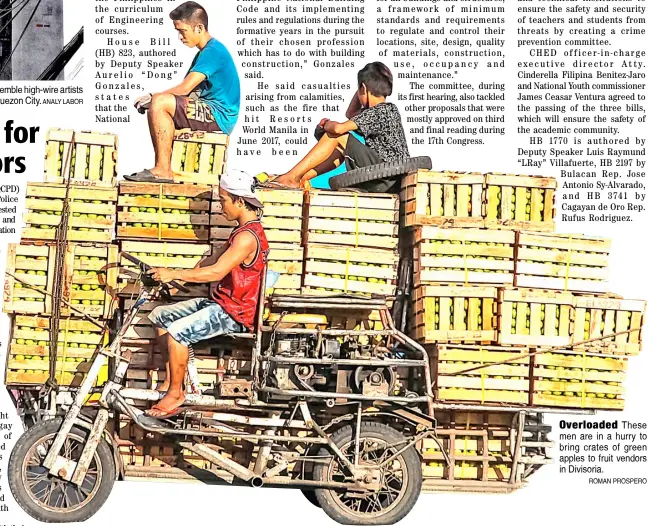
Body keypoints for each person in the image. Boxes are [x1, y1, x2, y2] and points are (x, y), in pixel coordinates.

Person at [145, 170, 268, 417]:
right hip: (222, 303)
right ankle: (172, 380)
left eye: (223, 200)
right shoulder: (240, 232)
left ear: (240, 201)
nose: (221, 206)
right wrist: (176, 279)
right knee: (159, 316)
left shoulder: (247, 237)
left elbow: (216, 272)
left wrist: (174, 273)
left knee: (178, 333)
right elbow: (209, 262)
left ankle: (176, 394)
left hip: (235, 313)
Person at [126, 1, 241, 183]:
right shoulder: (204, 53)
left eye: (182, 31)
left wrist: (153, 97)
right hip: (210, 111)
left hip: (219, 116)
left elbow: (185, 88)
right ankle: (164, 166)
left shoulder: (213, 52)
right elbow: (186, 95)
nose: (180, 37)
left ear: (199, 28)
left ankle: (163, 169)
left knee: (161, 103)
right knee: (161, 104)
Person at [270, 62, 409, 189]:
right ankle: (301, 178)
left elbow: (338, 128)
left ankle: (292, 177)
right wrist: (364, 87)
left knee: (337, 136)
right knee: (341, 147)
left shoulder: (381, 111)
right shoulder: (383, 111)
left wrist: (326, 125)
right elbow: (351, 113)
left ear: (363, 88)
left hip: (385, 176)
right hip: (386, 178)